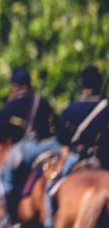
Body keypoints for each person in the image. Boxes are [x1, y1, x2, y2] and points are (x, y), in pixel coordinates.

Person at [0, 66, 58, 226]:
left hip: (28, 150)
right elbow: (55, 126)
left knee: (2, 177)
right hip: (52, 146)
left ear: (14, 86)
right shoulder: (42, 101)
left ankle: (9, 215)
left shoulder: (10, 106)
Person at [44, 65, 109, 228]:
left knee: (50, 189)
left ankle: (47, 223)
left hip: (74, 158)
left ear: (82, 86)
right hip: (102, 158)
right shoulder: (106, 108)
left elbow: (62, 143)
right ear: (99, 85)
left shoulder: (70, 109)